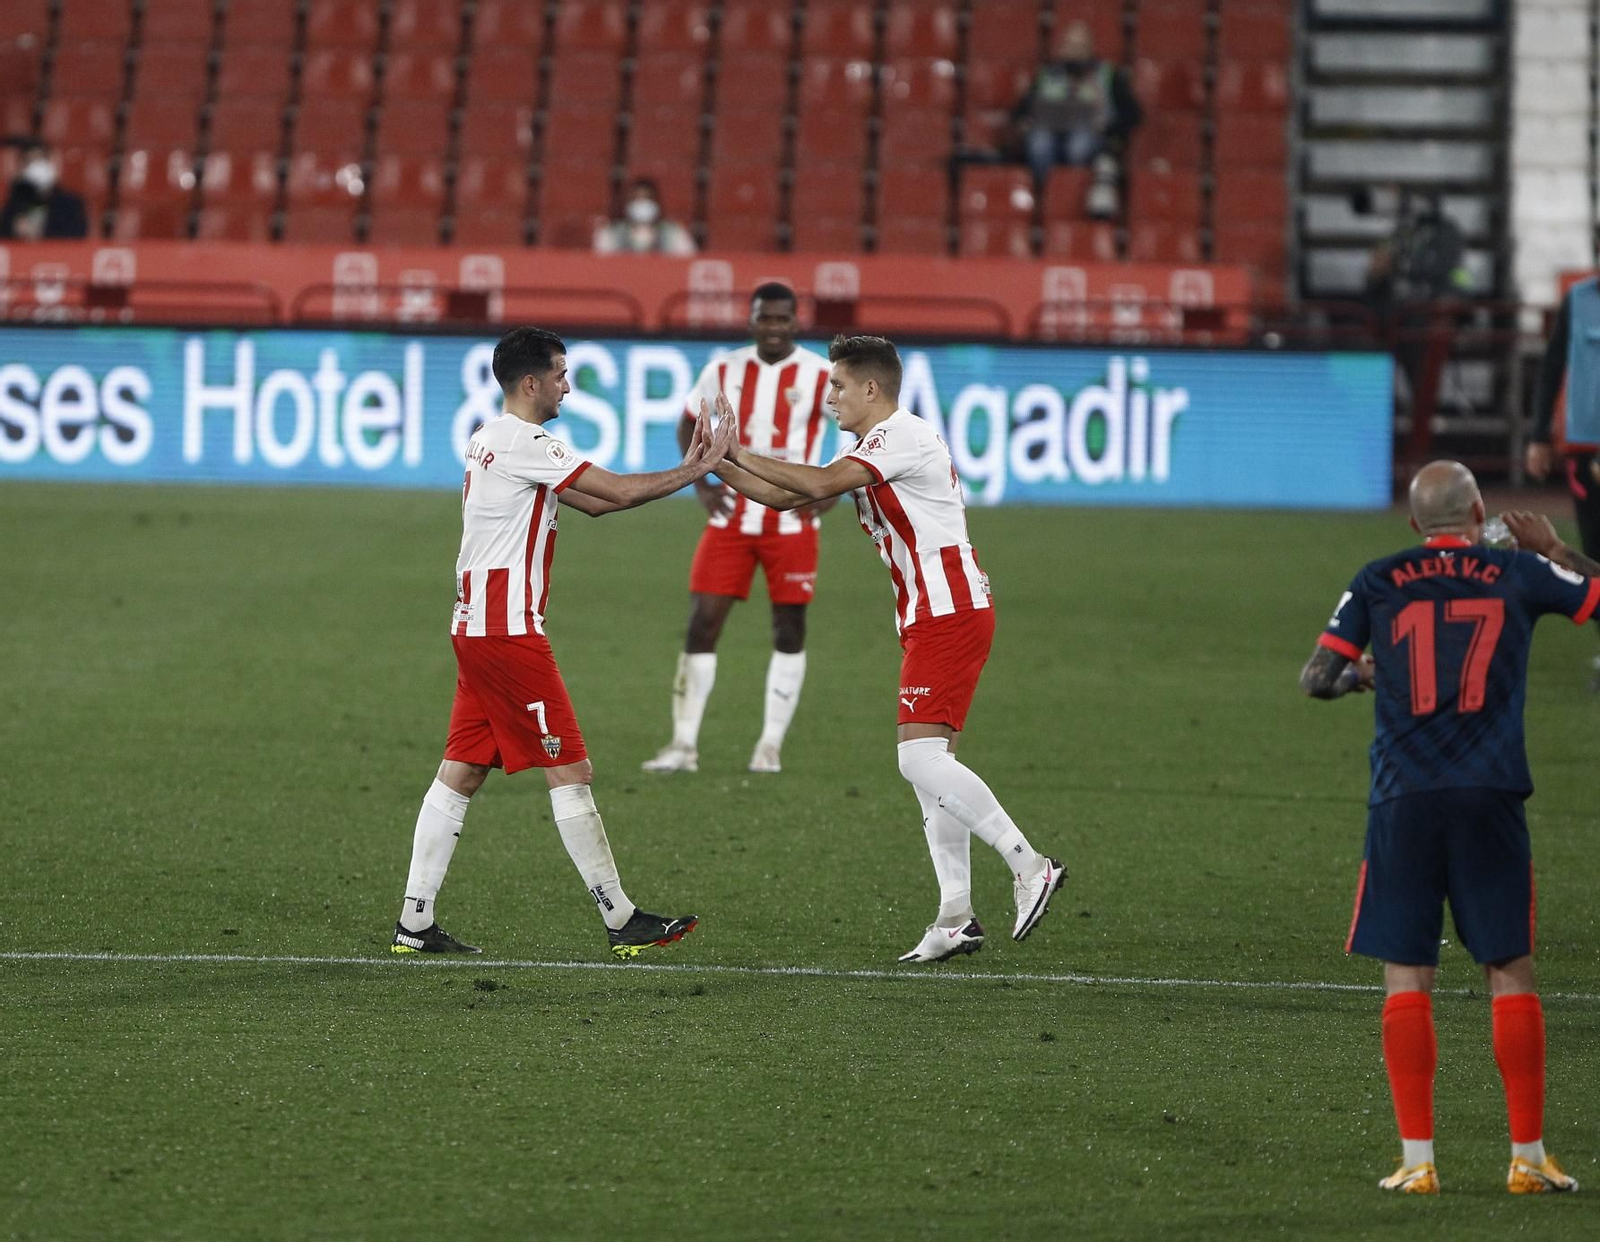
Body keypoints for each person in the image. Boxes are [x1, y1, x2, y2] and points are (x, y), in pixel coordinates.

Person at [697, 334, 1066, 962]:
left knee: (917, 760)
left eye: (838, 385)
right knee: (933, 773)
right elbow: (792, 496)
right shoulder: (871, 444)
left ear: (872, 389)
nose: (829, 394)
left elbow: (815, 483)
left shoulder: (901, 436)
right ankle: (956, 917)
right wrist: (719, 465)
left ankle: (1030, 865)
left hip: (948, 610)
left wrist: (736, 450)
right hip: (934, 612)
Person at [1299, 459, 1598, 1195]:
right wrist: (1555, 550)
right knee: (1509, 968)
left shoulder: (1376, 577)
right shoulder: (1516, 571)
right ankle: (1527, 1158)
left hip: (1403, 797)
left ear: (1412, 524)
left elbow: (1317, 678)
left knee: (1408, 972)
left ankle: (1417, 1162)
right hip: (1490, 794)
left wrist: (1374, 675)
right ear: (1481, 512)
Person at [391, 326, 736, 958]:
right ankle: (620, 917)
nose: (567, 386)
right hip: (508, 633)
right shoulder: (525, 441)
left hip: (476, 627)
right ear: (532, 383)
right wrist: (700, 466)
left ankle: (414, 922)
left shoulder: (490, 439)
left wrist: (693, 468)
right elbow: (620, 491)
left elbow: (596, 505)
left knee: (462, 772)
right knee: (569, 769)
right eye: (560, 375)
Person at [642, 282, 836, 775]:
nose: (773, 327)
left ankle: (769, 744)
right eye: (764, 318)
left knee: (789, 629)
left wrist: (834, 489)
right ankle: (683, 746)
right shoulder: (723, 369)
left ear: (796, 322)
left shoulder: (821, 374)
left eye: (782, 319)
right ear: (751, 321)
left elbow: (859, 427)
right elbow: (689, 421)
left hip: (791, 518)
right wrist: (701, 481)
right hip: (732, 516)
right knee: (702, 622)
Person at [1524, 272, 1600, 686]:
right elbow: (1553, 366)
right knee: (1593, 548)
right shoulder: (1577, 300)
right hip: (1586, 448)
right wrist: (1539, 436)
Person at [1010, 20, 1141, 218]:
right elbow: (1020, 112)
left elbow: (1134, 114)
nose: (1074, 51)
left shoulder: (1107, 75)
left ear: (1090, 48)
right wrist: (1024, 122)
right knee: (1039, 144)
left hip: (1091, 136)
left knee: (1078, 145)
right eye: (1070, 45)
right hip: (1048, 133)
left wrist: (1107, 127)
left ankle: (1070, 200)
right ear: (1061, 48)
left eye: (1080, 46)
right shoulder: (1047, 75)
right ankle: (1043, 202)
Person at [0, 140, 88, 240]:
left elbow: (77, 239)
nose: (36, 167)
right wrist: (15, 230)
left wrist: (40, 234)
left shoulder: (71, 203)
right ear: (22, 168)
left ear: (51, 163)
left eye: (41, 160)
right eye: (30, 162)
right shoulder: (13, 204)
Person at [592, 177, 696, 256]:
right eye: (637, 198)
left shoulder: (674, 232)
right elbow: (601, 266)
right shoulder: (610, 233)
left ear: (656, 202)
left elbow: (686, 263)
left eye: (646, 198)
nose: (642, 203)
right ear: (628, 202)